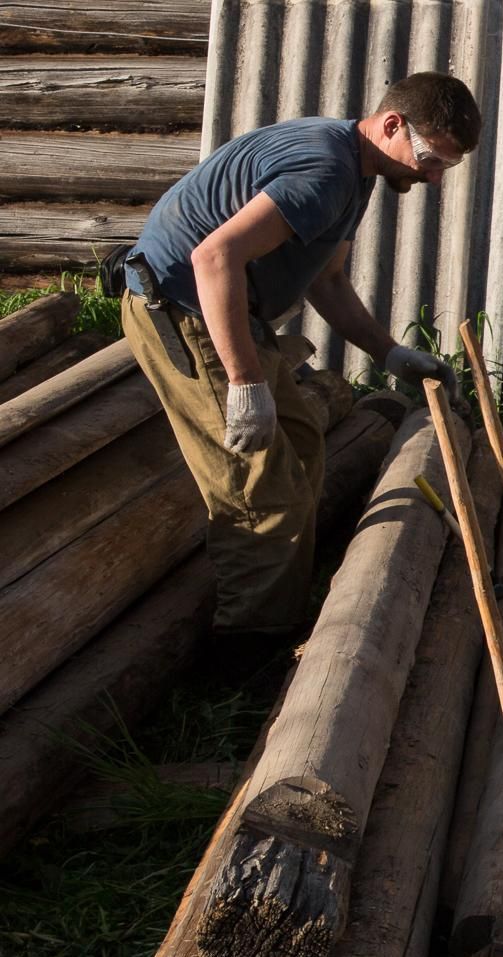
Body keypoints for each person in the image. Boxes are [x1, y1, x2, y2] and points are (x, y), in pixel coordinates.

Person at [118, 74, 476, 643]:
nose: (433, 177)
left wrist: (391, 354)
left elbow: (326, 280)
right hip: (184, 311)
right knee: (261, 489)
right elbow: (214, 259)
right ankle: (251, 650)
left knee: (303, 443)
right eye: (431, 159)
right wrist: (245, 384)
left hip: (226, 309)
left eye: (446, 167)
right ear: (392, 125)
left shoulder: (354, 167)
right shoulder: (326, 171)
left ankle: (281, 598)